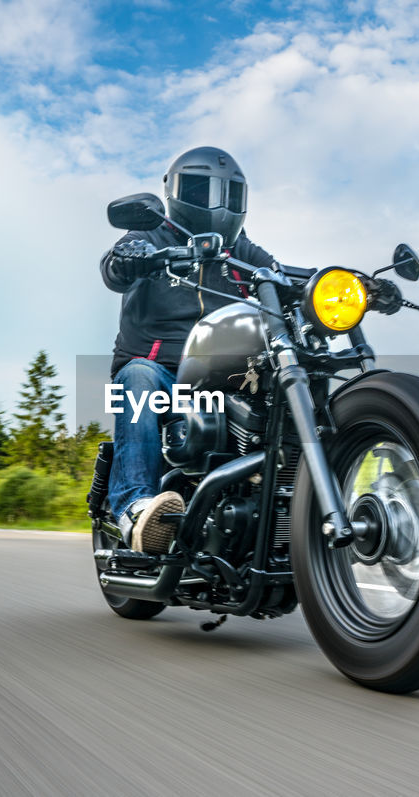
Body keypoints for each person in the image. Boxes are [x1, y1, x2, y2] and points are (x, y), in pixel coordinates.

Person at [101, 146, 280, 554]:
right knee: (138, 378)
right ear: (177, 192)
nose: (214, 202)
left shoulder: (244, 252)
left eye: (227, 193)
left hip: (221, 372)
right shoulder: (150, 234)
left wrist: (348, 286)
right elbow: (112, 269)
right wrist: (127, 258)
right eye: (201, 191)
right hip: (159, 368)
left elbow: (281, 275)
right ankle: (135, 510)